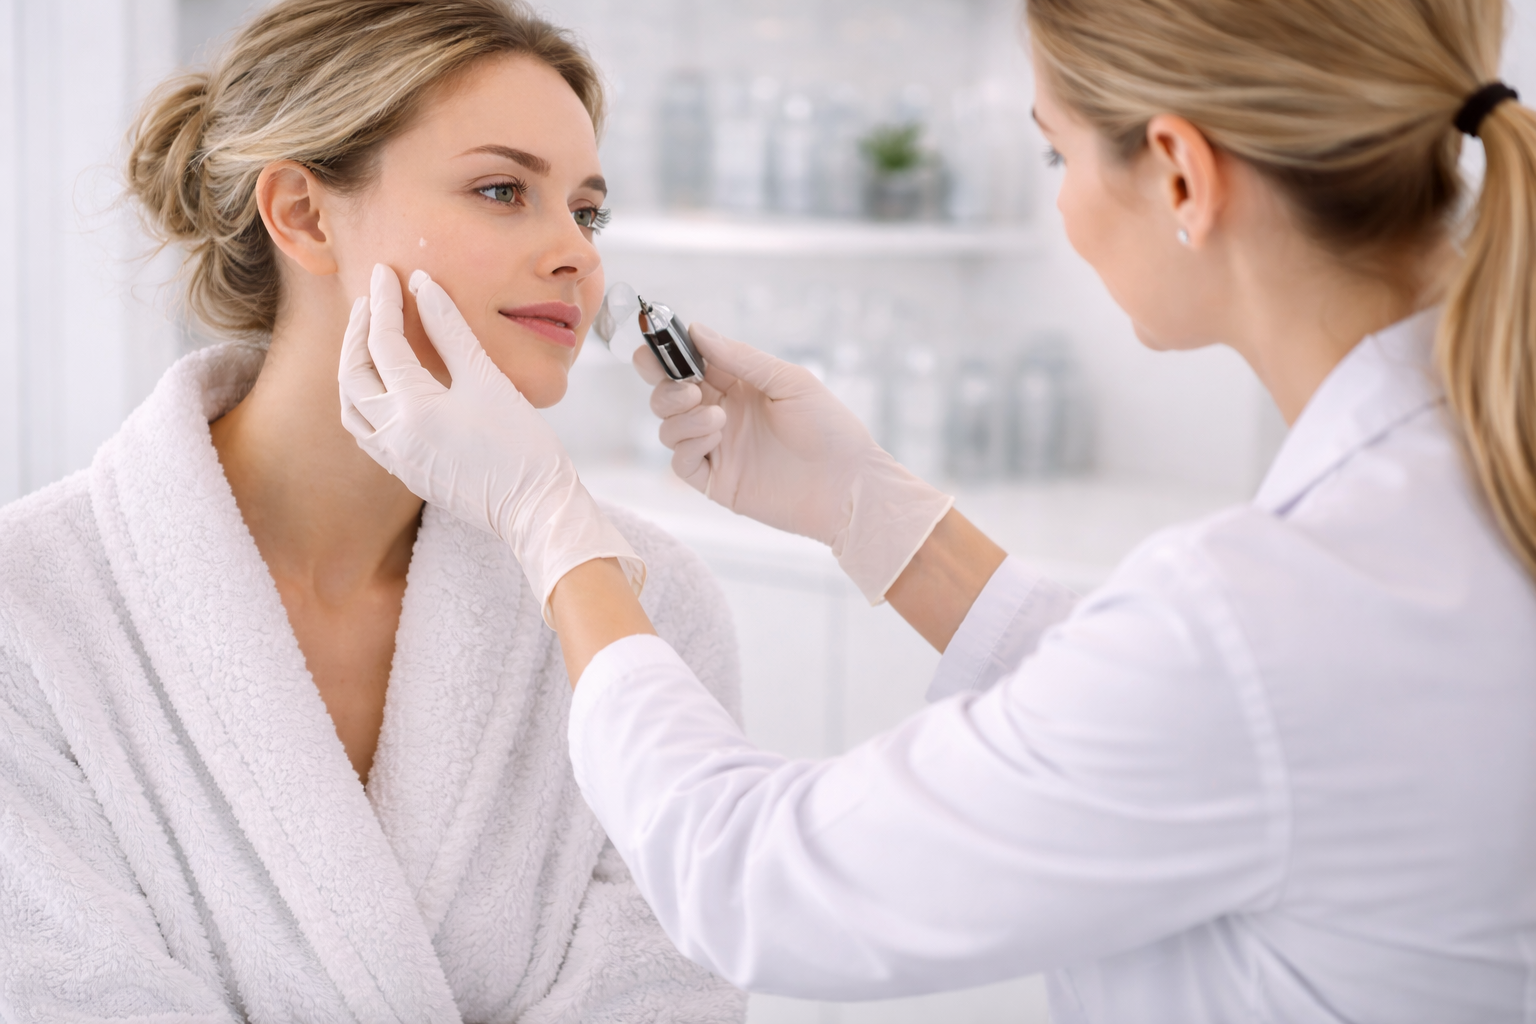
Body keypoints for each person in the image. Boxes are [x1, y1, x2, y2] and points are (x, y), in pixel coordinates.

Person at [339, 0, 1536, 1018]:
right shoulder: (1434, 509)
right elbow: (1197, 711)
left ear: (1180, 171)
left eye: (1059, 156)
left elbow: (756, 879)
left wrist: (556, 526)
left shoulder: (1267, 615)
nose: (573, 256)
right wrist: (875, 517)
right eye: (505, 190)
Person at [0, 1, 748, 1021]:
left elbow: (672, 989)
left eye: (587, 210)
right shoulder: (30, 609)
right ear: (304, 216)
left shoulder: (643, 606)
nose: (578, 254)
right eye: (502, 189)